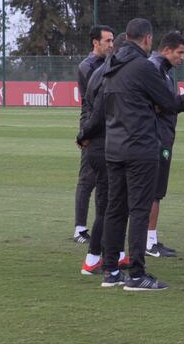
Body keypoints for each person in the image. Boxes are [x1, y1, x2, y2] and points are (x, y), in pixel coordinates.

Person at [99, 18, 184, 291]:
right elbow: (167, 103)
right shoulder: (143, 67)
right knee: (139, 211)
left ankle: (110, 271)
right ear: (147, 39)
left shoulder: (110, 63)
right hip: (140, 147)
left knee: (115, 210)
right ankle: (137, 274)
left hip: (114, 146)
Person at [76, 32, 128, 275]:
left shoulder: (100, 73)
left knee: (110, 205)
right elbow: (97, 113)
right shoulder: (105, 74)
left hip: (99, 144)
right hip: (104, 145)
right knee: (109, 206)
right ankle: (94, 259)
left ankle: (112, 254)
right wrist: (83, 135)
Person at [146, 32, 184, 257]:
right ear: (166, 50)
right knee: (154, 192)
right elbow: (159, 104)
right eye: (179, 52)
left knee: (154, 192)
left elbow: (165, 106)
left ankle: (149, 240)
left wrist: (181, 105)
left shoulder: (162, 70)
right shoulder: (154, 69)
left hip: (160, 136)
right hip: (156, 138)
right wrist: (183, 99)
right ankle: (148, 242)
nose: (182, 57)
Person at [73, 25, 115, 243]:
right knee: (87, 178)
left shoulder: (110, 62)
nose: (111, 45)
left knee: (106, 179)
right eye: (107, 41)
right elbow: (98, 96)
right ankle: (79, 229)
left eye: (112, 41)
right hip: (91, 123)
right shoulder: (87, 66)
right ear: (95, 43)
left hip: (109, 125)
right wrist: (85, 132)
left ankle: (104, 225)